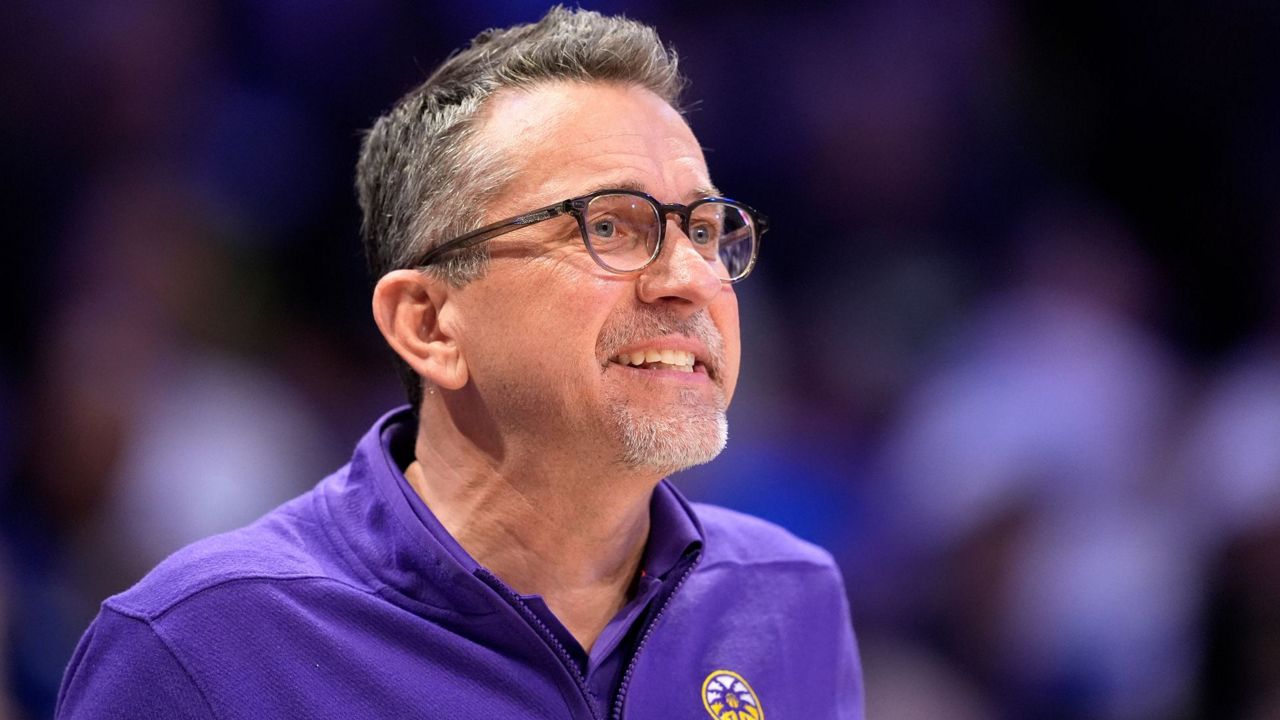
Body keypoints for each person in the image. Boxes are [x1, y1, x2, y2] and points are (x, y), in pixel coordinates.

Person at [55, 8, 863, 719]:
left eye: (704, 228)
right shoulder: (203, 648)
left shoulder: (790, 599)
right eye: (611, 228)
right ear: (429, 324)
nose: (692, 276)